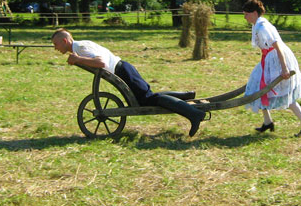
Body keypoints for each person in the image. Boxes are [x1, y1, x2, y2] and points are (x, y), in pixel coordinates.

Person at [51, 28, 206, 137]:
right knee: (148, 97)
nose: (55, 48)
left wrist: (78, 59)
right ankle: (185, 97)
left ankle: (194, 114)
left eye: (56, 44)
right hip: (123, 68)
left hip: (122, 71)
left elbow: (101, 62)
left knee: (147, 100)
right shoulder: (79, 46)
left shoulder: (80, 47)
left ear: (64, 41)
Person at [242, 0, 301, 137]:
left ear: (254, 13)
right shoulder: (257, 25)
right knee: (258, 87)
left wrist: (284, 68)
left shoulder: (263, 27)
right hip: (269, 59)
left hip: (277, 61)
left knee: (285, 93)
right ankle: (268, 122)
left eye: (246, 14)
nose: (245, 17)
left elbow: (278, 46)